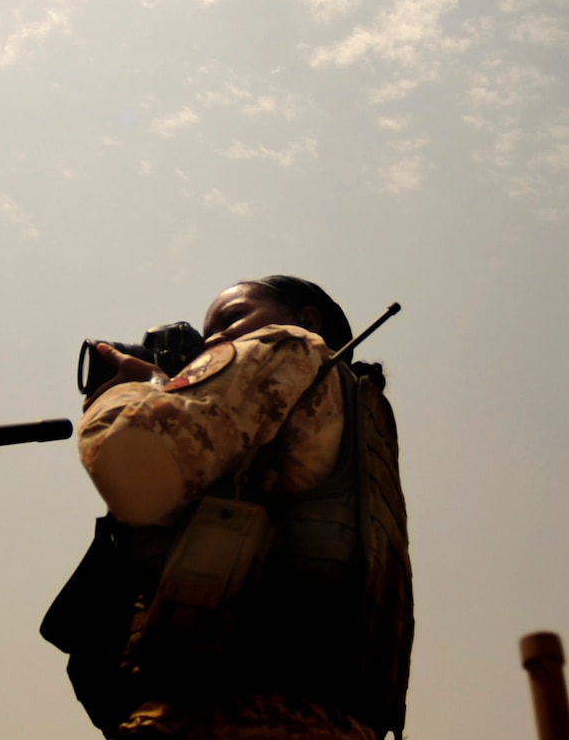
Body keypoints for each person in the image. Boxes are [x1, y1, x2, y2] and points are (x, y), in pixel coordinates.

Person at [43, 276, 413, 739]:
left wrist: (123, 394)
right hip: (328, 720)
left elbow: (133, 460)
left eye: (233, 318)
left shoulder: (290, 346)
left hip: (219, 715)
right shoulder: (358, 419)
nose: (214, 340)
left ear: (307, 319)